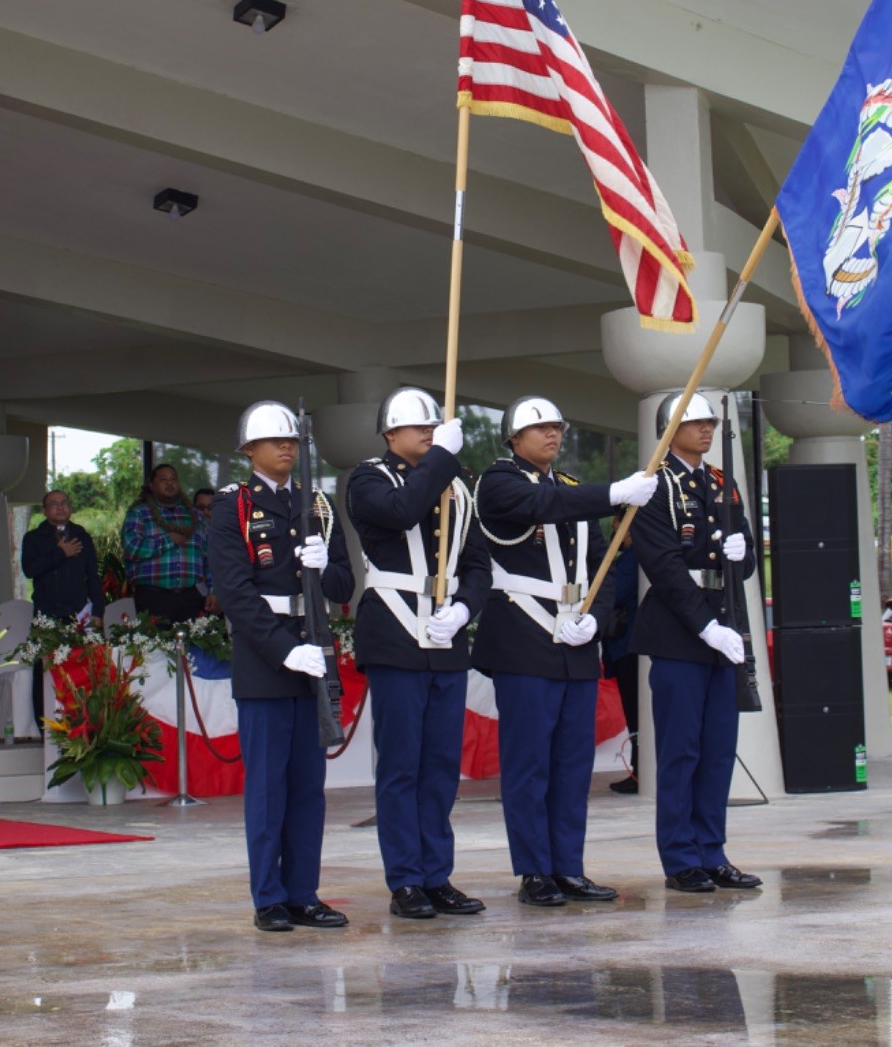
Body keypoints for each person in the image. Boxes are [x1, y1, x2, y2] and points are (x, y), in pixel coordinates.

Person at [472, 395, 656, 907]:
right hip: (522, 635)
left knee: (573, 764)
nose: (552, 435)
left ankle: (568, 867)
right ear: (514, 438)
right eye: (541, 428)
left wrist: (595, 622)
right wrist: (615, 491)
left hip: (575, 637)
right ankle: (534, 870)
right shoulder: (498, 482)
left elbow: (604, 564)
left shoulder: (573, 489)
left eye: (557, 427)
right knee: (529, 762)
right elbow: (540, 508)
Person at [207, 401, 353, 932]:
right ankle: (269, 896)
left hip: (313, 649)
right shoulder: (233, 507)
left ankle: (303, 892)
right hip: (268, 659)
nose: (286, 448)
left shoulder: (319, 504)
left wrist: (323, 565)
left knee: (307, 788)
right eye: (274, 442)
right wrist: (282, 649)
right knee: (268, 786)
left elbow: (343, 584)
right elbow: (235, 591)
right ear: (250, 451)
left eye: (292, 441)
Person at [347, 386, 489, 920]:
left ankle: (437, 874)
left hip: (444, 636)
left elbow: (477, 563)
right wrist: (444, 460)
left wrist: (464, 609)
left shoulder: (456, 486)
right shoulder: (368, 478)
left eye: (434, 428)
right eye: (417, 428)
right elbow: (403, 511)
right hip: (395, 632)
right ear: (390, 434)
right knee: (402, 766)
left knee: (441, 767)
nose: (428, 434)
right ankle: (406, 878)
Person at [627, 391, 761, 893]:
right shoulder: (653, 486)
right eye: (695, 422)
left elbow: (744, 564)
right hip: (680, 631)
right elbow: (662, 566)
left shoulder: (721, 483)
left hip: (722, 627)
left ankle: (713, 850)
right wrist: (704, 626)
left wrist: (741, 551)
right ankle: (681, 857)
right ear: (669, 430)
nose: (706, 430)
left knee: (718, 749)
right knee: (680, 750)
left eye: (710, 423)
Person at [19, 489, 105, 718]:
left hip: (77, 614)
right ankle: (44, 724)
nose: (60, 507)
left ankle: (82, 721)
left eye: (64, 503)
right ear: (45, 510)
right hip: (46, 614)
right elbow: (30, 570)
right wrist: (60, 552)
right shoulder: (34, 538)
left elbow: (93, 576)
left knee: (81, 668)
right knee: (43, 669)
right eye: (54, 503)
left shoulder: (81, 535)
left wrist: (98, 609)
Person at [123, 463, 212, 623]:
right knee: (155, 648)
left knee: (193, 647)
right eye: (163, 479)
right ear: (151, 485)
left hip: (191, 598)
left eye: (173, 479)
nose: (169, 483)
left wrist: (213, 591)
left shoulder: (196, 517)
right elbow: (132, 548)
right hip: (153, 598)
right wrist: (168, 540)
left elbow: (210, 559)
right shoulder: (139, 513)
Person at [601, 536, 642, 794]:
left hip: (629, 648)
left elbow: (613, 593)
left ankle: (641, 772)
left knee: (636, 713)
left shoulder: (632, 558)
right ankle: (640, 770)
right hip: (629, 647)